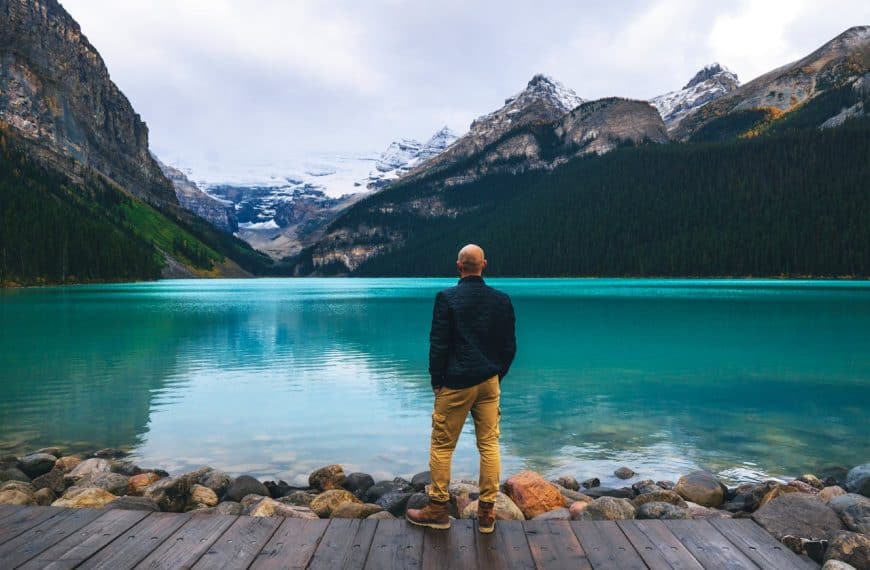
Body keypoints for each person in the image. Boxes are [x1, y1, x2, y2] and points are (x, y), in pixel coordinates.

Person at [406, 244, 516, 534]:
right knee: (489, 444)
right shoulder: (501, 300)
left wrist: (436, 381)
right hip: (488, 382)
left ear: (458, 266)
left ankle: (438, 510)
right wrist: (496, 376)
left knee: (443, 446)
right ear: (484, 265)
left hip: (455, 383)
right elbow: (509, 347)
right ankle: (487, 514)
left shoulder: (447, 298)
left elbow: (438, 344)